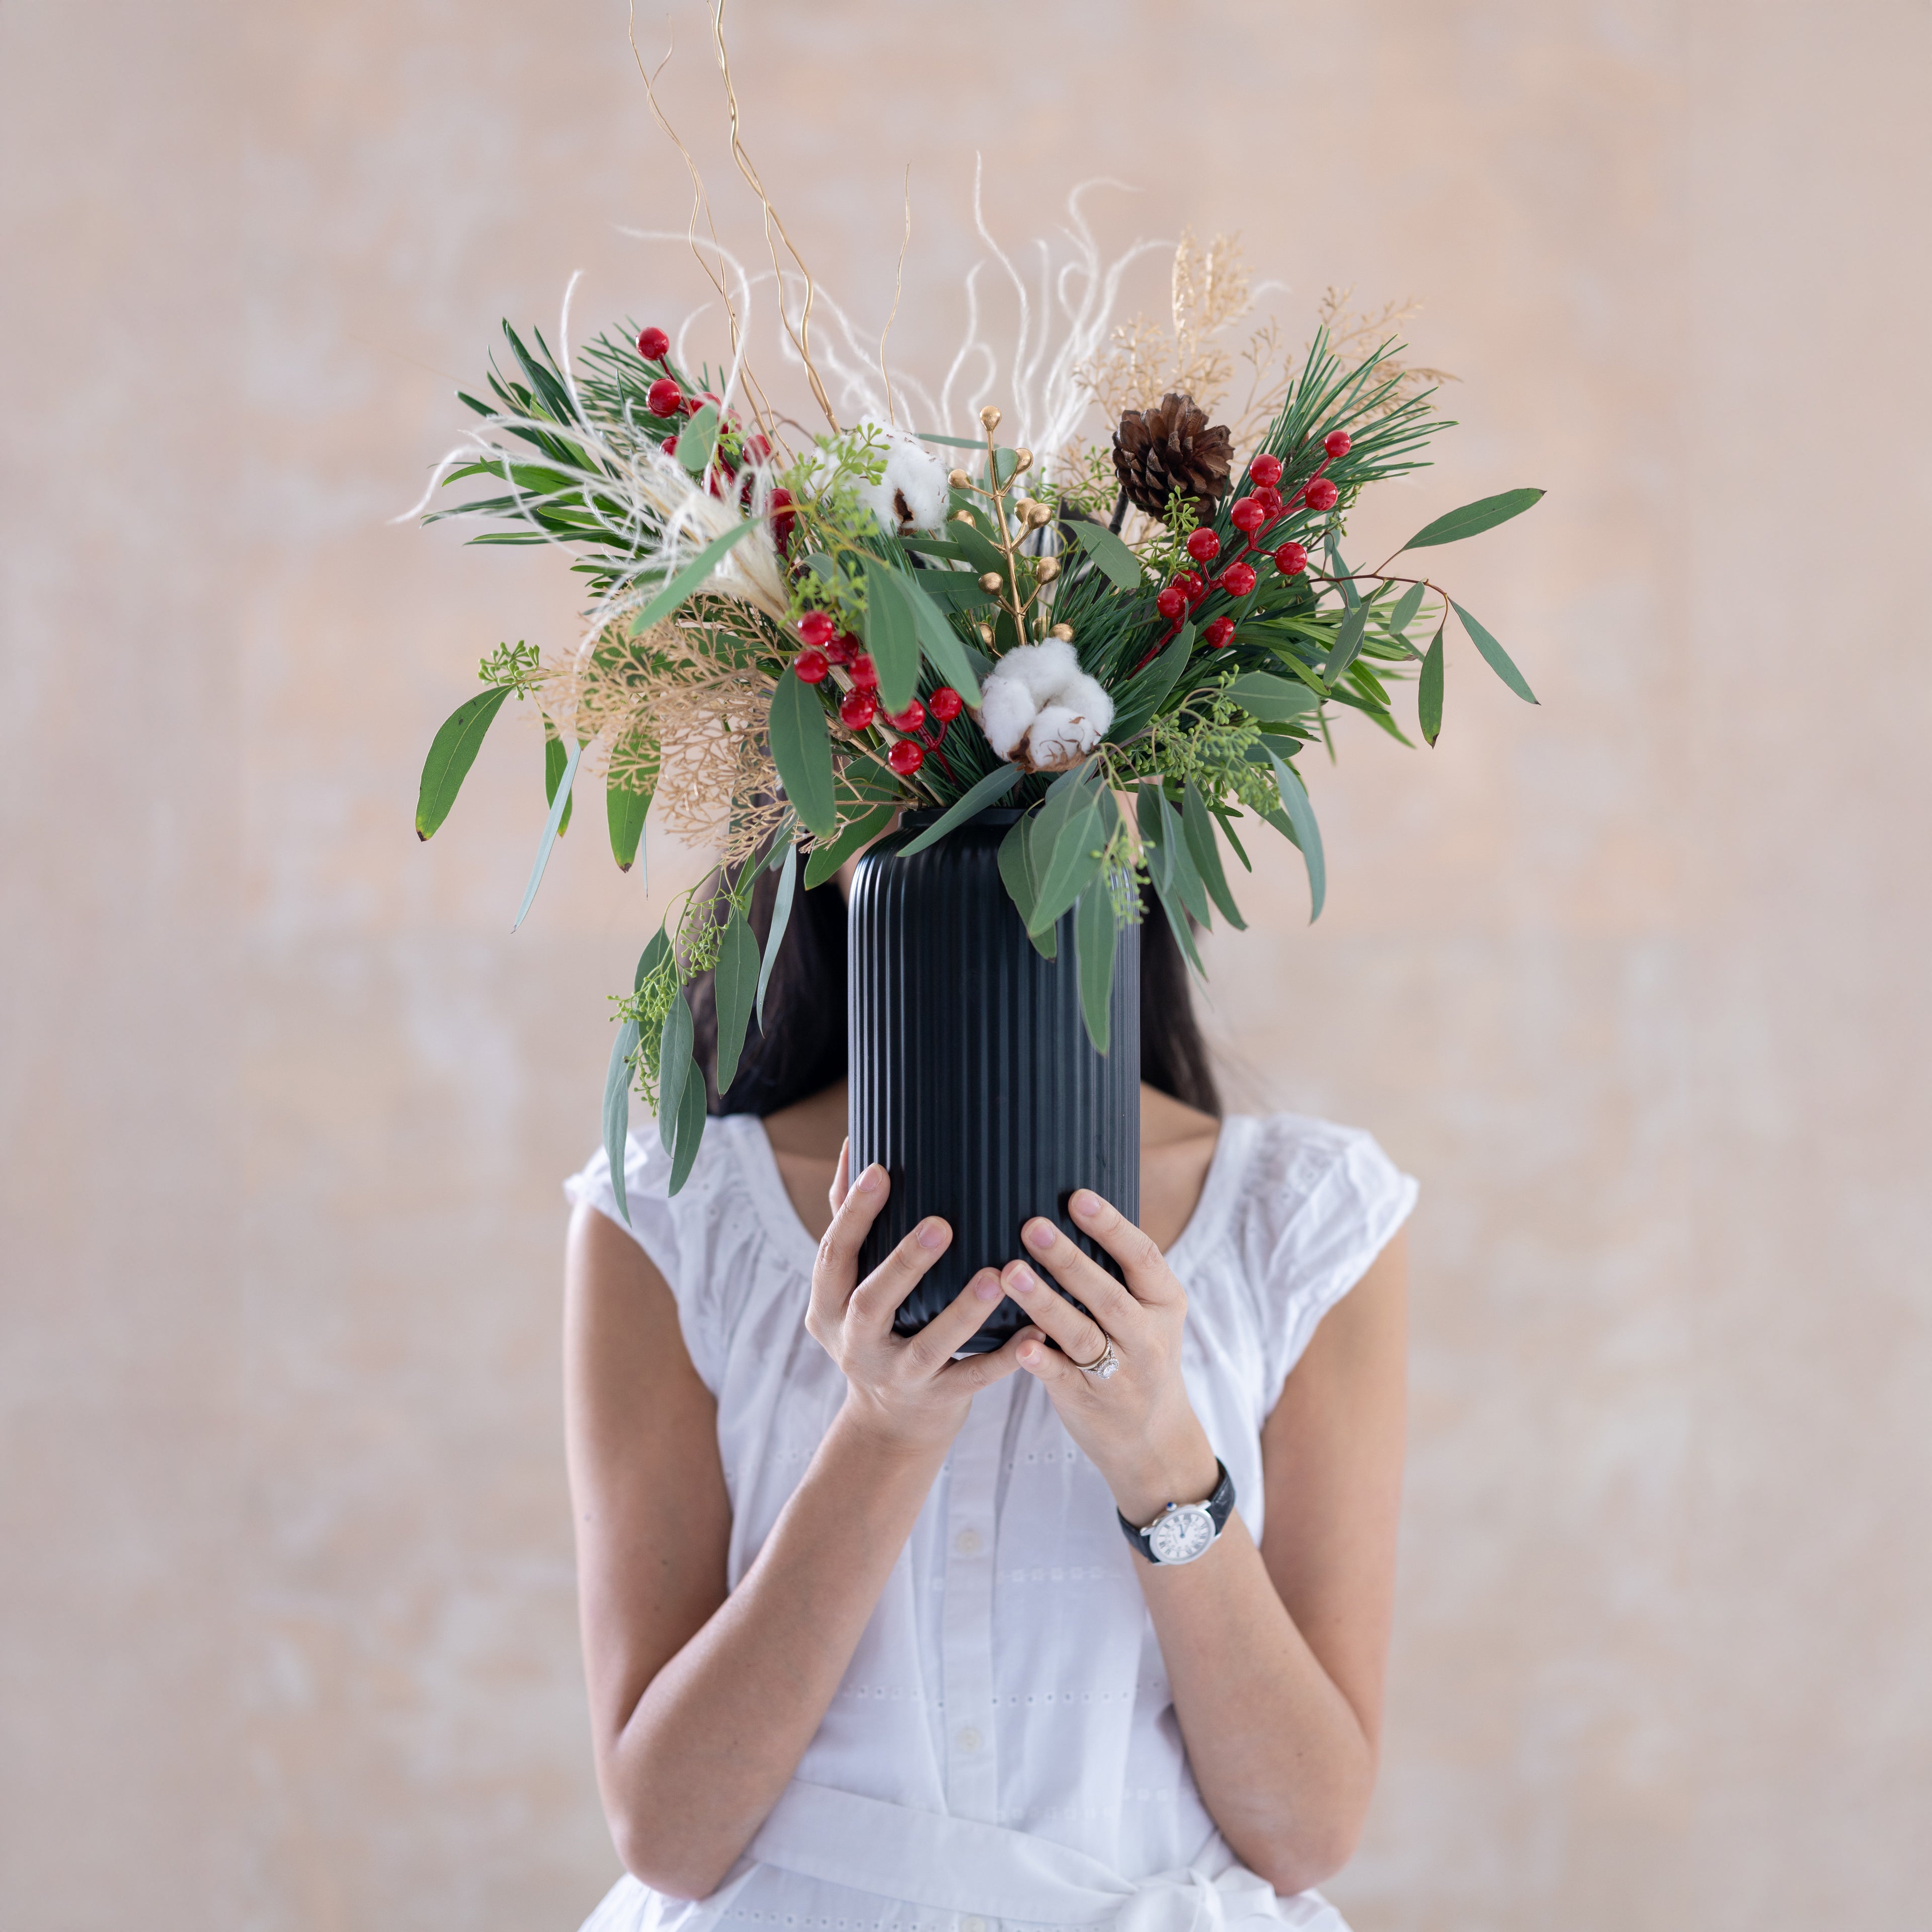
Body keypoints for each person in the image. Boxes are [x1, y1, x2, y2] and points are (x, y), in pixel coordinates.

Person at [562, 860, 1414, 1930]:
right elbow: (671, 1832)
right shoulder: (671, 1213)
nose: (990, 786)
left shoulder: (1308, 1219)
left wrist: (1160, 1456)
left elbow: (1304, 1828)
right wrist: (883, 1433)